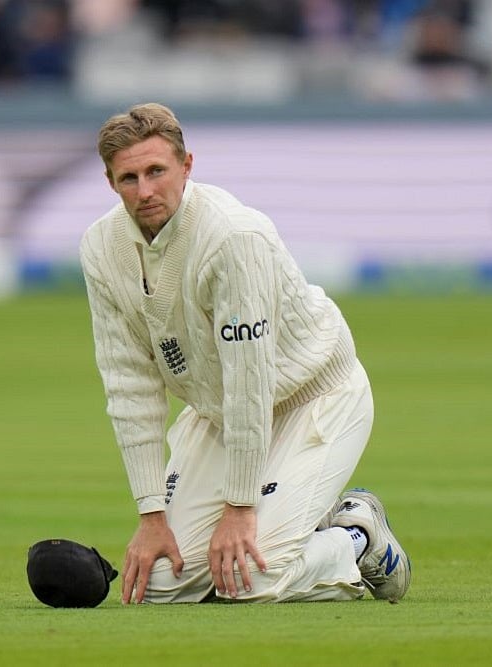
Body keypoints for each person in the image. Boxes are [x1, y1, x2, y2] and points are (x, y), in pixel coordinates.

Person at [79, 103, 410, 604]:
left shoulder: (233, 237)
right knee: (160, 583)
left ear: (187, 165)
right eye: (129, 178)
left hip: (313, 398)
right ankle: (306, 515)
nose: (144, 191)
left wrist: (239, 508)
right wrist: (150, 514)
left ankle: (357, 537)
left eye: (156, 171)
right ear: (110, 182)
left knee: (249, 579)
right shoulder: (101, 248)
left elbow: (250, 380)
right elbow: (129, 385)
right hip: (219, 415)